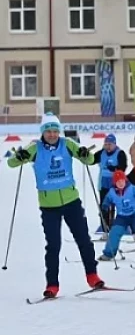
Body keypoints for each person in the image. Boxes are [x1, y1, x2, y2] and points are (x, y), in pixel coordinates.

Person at [7, 113, 105, 298]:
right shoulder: (35, 148)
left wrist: (85, 153)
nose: (52, 134)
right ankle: (52, 285)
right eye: (48, 131)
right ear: (43, 132)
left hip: (71, 202)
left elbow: (90, 160)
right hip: (48, 206)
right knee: (53, 245)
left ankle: (92, 275)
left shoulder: (67, 144)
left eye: (55, 131)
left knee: (83, 239)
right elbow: (12, 164)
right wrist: (20, 156)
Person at [99, 171, 135, 261]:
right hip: (121, 217)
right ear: (114, 183)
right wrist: (104, 207)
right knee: (114, 232)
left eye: (122, 181)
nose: (120, 183)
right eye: (118, 182)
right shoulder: (112, 192)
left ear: (125, 180)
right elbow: (107, 200)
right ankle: (109, 253)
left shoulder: (132, 188)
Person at [93, 134, 128, 235]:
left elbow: (123, 167)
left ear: (114, 144)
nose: (107, 147)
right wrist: (85, 155)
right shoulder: (101, 153)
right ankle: (105, 231)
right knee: (104, 207)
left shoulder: (120, 153)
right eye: (106, 144)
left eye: (110, 144)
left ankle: (118, 228)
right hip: (104, 183)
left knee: (116, 206)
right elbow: (92, 160)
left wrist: (115, 168)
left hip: (116, 184)